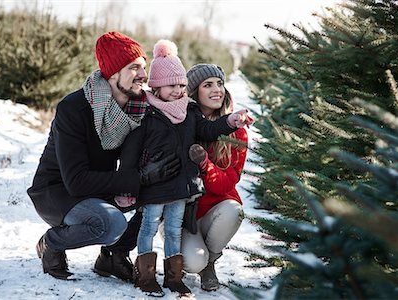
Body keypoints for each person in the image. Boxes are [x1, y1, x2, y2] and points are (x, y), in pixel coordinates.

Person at [26, 32, 180, 281]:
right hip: (58, 192)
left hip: (99, 187)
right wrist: (140, 177)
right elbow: (76, 181)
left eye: (144, 66)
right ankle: (52, 243)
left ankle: (113, 257)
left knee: (159, 195)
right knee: (111, 223)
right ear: (113, 73)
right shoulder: (74, 108)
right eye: (134, 68)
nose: (143, 75)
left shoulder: (136, 108)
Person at [115, 40, 253, 297]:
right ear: (156, 86)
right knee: (148, 226)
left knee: (172, 229)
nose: (178, 90)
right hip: (155, 187)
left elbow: (209, 130)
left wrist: (231, 121)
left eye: (181, 85)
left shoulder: (189, 112)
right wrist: (129, 184)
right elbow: (131, 154)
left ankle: (174, 277)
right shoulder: (148, 114)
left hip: (181, 187)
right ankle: (145, 275)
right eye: (172, 85)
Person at [180, 63, 249, 291]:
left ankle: (210, 263)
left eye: (220, 84)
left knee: (234, 210)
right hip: (184, 215)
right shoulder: (182, 126)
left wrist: (204, 162)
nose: (216, 89)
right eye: (207, 85)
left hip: (217, 210)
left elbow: (224, 185)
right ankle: (194, 258)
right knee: (192, 263)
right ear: (194, 92)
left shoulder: (236, 132)